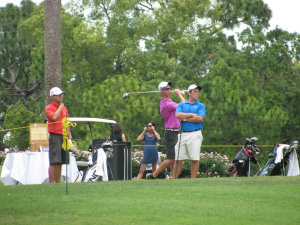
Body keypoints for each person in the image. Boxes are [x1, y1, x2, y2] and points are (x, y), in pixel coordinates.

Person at [149, 81, 185, 179]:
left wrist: (182, 96)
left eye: (169, 88)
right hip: (171, 133)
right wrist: (180, 95)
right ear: (161, 91)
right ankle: (154, 175)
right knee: (172, 159)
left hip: (175, 132)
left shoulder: (169, 102)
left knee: (175, 158)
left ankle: (173, 178)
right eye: (166, 89)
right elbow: (183, 106)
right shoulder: (167, 104)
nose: (169, 90)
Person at [173, 84, 206, 179]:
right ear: (189, 93)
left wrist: (185, 118)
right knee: (178, 159)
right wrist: (191, 115)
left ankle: (193, 180)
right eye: (195, 91)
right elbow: (178, 115)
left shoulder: (201, 106)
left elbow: (199, 118)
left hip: (195, 133)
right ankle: (173, 180)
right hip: (182, 134)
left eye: (198, 92)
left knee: (195, 159)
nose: (197, 93)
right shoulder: (182, 104)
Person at [45, 87, 71, 183]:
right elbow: (54, 117)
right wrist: (60, 107)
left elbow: (67, 122)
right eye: (58, 95)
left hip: (63, 136)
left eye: (61, 94)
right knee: (54, 161)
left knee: (60, 161)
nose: (61, 96)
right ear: (52, 97)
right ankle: (52, 182)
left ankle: (58, 182)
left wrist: (69, 135)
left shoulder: (65, 109)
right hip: (55, 135)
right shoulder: (49, 108)